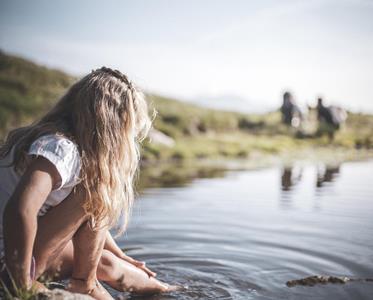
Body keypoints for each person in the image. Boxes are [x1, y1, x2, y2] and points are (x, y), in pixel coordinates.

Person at [0, 67, 176, 299]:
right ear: (114, 124)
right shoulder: (61, 149)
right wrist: (20, 281)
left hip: (20, 250)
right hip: (10, 261)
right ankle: (84, 284)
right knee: (98, 189)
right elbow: (21, 209)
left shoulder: (42, 139)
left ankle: (168, 290)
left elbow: (86, 216)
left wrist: (119, 253)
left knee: (108, 262)